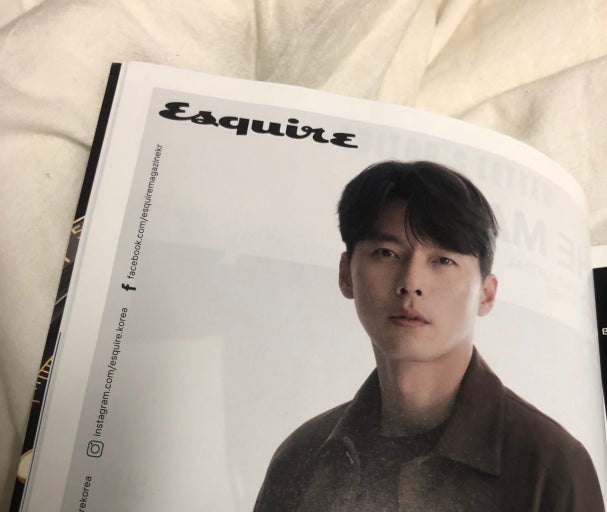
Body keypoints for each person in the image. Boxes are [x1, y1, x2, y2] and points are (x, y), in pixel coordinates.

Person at [253, 160, 604, 512]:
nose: (411, 283)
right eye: (387, 253)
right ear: (346, 274)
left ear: (486, 294)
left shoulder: (551, 466)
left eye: (443, 260)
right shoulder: (300, 458)